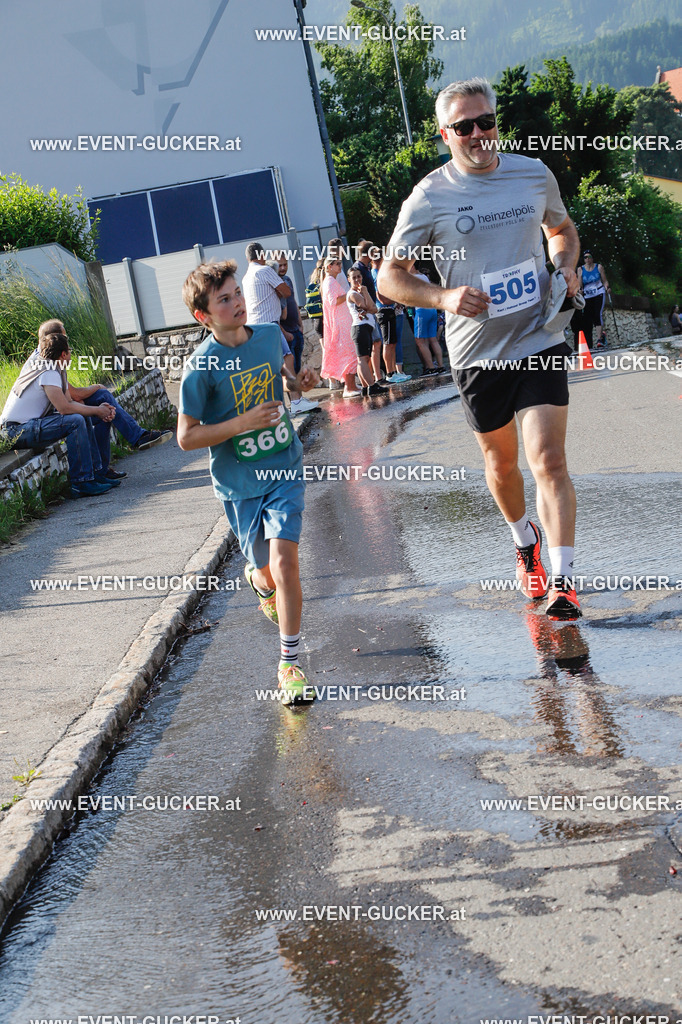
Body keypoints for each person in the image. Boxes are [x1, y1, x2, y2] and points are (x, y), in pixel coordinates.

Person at [378, 76, 582, 620]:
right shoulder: (429, 197)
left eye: (485, 121)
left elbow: (561, 227)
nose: (478, 134)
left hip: (538, 336)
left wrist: (564, 265)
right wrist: (442, 295)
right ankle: (524, 541)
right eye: (464, 126)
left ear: (496, 122)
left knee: (550, 460)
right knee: (501, 464)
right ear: (446, 134)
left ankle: (562, 582)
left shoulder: (532, 174)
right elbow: (389, 278)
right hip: (476, 354)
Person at [178, 260, 319, 704]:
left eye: (237, 293)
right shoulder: (201, 368)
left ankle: (289, 664)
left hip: (283, 467)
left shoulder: (266, 336)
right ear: (204, 316)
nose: (237, 302)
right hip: (239, 483)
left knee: (287, 562)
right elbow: (186, 437)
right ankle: (259, 583)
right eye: (224, 299)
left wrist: (302, 383)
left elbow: (289, 384)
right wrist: (241, 423)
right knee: (267, 572)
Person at [37, 319, 171, 477]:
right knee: (101, 406)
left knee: (103, 402)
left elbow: (71, 394)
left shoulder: (52, 357)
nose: (67, 342)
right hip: (45, 420)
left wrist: (96, 398)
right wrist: (96, 389)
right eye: (65, 338)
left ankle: (108, 463)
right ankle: (130, 443)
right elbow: (74, 397)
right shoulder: (46, 361)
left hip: (57, 411)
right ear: (55, 339)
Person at [1, 331, 118, 497]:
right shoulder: (48, 373)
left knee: (81, 416)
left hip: (26, 426)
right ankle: (81, 483)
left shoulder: (53, 368)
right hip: (15, 431)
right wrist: (98, 411)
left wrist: (99, 409)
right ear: (63, 354)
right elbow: (64, 408)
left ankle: (96, 474)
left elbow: (70, 403)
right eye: (70, 351)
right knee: (75, 421)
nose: (71, 354)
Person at [242, 242, 316, 417]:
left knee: (273, 366)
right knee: (286, 361)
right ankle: (295, 402)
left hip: (255, 326)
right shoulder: (265, 270)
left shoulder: (247, 276)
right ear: (261, 255)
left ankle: (287, 404)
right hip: (270, 325)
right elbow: (286, 291)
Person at [274, 251, 319, 416]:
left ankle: (300, 399)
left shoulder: (287, 280)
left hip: (296, 329)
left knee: (297, 367)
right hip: (286, 332)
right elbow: (276, 313)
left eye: (285, 264)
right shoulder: (274, 284)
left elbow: (293, 303)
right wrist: (284, 332)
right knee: (289, 369)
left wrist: (300, 324)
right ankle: (294, 402)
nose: (283, 268)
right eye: (280, 265)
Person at [321, 257, 361, 398]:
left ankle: (351, 385)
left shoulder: (330, 281)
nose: (340, 266)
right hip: (340, 323)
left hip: (343, 321)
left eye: (340, 263)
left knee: (350, 353)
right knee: (349, 354)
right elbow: (334, 301)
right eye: (337, 264)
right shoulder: (330, 282)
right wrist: (349, 293)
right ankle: (349, 387)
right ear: (329, 267)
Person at [370, 251, 411, 384]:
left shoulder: (379, 272)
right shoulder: (375, 274)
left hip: (389, 309)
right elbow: (380, 296)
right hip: (383, 310)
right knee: (387, 343)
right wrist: (394, 301)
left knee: (392, 343)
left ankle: (394, 371)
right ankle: (390, 373)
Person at [346, 267, 386, 396]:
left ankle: (364, 386)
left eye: (359, 276)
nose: (357, 279)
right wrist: (366, 291)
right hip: (360, 328)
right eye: (354, 277)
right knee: (363, 359)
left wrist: (365, 295)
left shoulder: (359, 293)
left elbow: (374, 309)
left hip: (365, 327)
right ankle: (372, 386)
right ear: (349, 279)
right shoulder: (353, 294)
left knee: (364, 358)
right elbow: (368, 306)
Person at [410, 266, 447, 375]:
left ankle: (431, 367)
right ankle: (441, 366)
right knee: (433, 339)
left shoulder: (413, 278)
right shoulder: (423, 276)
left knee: (420, 341)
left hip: (422, 310)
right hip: (432, 309)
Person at [577, 250, 610, 349]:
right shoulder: (580, 269)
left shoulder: (598, 267)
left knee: (597, 314)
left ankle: (599, 339)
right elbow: (580, 284)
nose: (587, 259)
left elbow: (604, 280)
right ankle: (601, 336)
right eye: (585, 257)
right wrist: (580, 290)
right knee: (589, 316)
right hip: (588, 295)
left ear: (592, 258)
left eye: (589, 257)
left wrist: (607, 287)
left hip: (599, 293)